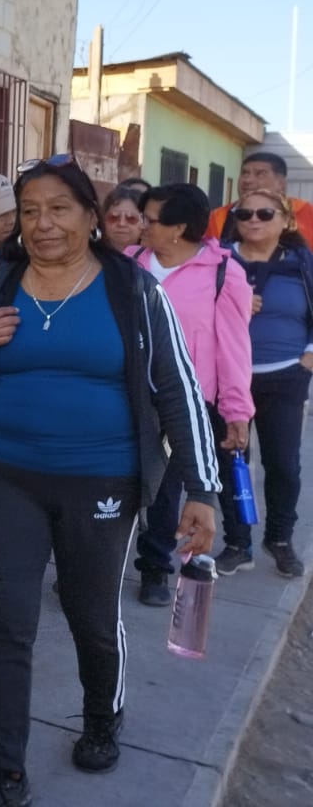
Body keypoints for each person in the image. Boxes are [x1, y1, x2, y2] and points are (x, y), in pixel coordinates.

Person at [0, 155, 219, 807]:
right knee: (5, 622)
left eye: (59, 208)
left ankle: (102, 715)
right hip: (7, 474)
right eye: (29, 210)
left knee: (90, 612)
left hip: (103, 479)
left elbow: (178, 389)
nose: (43, 223)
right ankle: (3, 772)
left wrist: (202, 488)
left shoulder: (132, 289)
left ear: (91, 216)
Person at [126, 184, 253, 606]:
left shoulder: (222, 273)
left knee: (165, 491)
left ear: (179, 227)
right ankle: (90, 565)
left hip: (182, 402)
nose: (141, 226)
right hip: (124, 395)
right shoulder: (128, 263)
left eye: (150, 220)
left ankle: (155, 568)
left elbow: (234, 348)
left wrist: (236, 410)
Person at [216, 189, 313, 578]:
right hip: (229, 378)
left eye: (265, 213)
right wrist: (229, 299)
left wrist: (309, 356)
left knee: (284, 464)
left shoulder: (302, 262)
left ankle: (279, 539)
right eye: (244, 214)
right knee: (231, 462)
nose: (253, 220)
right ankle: (238, 543)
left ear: (285, 220)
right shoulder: (219, 260)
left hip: (285, 376)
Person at [207, 152, 313, 243]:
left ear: (281, 183)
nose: (248, 180)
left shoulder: (305, 212)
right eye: (244, 173)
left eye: (260, 174)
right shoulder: (217, 217)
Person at [101, 184, 146, 254]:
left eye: (131, 218)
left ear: (144, 223)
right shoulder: (89, 255)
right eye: (113, 217)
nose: (121, 223)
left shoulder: (155, 257)